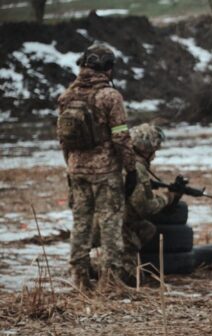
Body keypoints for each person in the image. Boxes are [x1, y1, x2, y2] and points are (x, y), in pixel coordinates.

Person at [57, 42, 136, 289]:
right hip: (105, 172)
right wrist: (131, 168)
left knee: (81, 223)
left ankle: (79, 278)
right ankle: (110, 281)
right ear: (108, 68)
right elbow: (121, 137)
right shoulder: (110, 96)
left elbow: (63, 140)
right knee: (110, 222)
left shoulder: (67, 96)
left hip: (76, 170)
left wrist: (70, 166)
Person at [121, 123, 181, 279]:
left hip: (112, 220)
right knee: (133, 280)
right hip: (117, 225)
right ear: (145, 149)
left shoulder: (125, 162)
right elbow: (145, 207)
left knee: (147, 228)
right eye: (153, 151)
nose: (154, 156)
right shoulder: (136, 169)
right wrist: (167, 197)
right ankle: (109, 267)